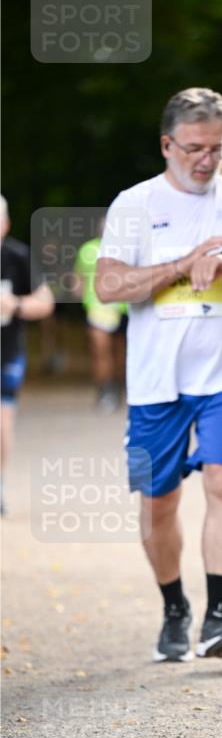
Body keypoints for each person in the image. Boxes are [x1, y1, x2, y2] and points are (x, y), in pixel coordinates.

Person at [95, 87, 222, 663]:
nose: (206, 159)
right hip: (158, 381)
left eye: (217, 147)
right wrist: (182, 263)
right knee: (159, 502)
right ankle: (174, 605)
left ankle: (217, 618)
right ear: (167, 145)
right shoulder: (135, 204)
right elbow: (109, 286)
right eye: (195, 148)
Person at [1, 194, 55, 513]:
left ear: (5, 224)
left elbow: (45, 302)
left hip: (6, 353)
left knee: (1, 425)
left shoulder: (18, 257)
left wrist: (17, 305)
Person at [73, 216, 128, 413]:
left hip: (123, 308)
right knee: (101, 351)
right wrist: (82, 296)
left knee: (121, 352)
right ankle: (105, 390)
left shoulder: (127, 249)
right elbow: (78, 277)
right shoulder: (88, 249)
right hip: (98, 308)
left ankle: (119, 388)